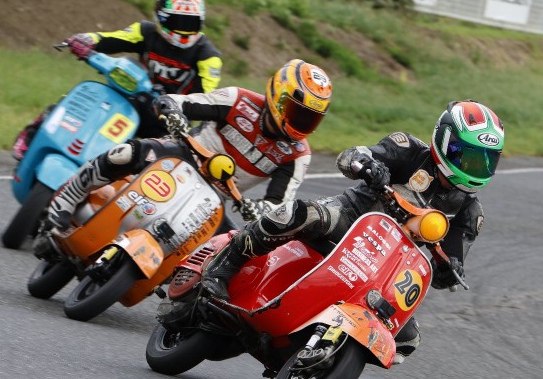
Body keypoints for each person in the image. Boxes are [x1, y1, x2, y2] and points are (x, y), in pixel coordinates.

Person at [196, 99, 505, 363]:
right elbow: (350, 156)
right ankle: (225, 265)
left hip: (389, 263)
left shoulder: (470, 212)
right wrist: (367, 164)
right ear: (446, 142)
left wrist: (450, 270)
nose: (477, 167)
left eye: (486, 161)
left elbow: (446, 267)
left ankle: (330, 349)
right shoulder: (408, 149)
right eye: (470, 157)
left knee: (407, 337)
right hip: (350, 218)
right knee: (297, 214)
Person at [34, 58, 332, 247]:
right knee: (123, 154)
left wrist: (259, 210)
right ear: (277, 96)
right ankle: (66, 200)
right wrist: (173, 111)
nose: (302, 123)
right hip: (180, 156)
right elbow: (181, 102)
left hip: (214, 200)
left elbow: (280, 203)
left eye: (311, 118)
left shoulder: (298, 154)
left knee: (224, 252)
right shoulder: (238, 99)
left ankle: (184, 306)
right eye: (297, 112)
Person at [12, 0, 223, 160]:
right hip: (134, 98)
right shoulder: (145, 31)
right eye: (178, 22)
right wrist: (87, 40)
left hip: (169, 120)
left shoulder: (209, 56)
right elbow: (113, 38)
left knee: (154, 168)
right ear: (161, 17)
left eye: (191, 23)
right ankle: (32, 136)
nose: (184, 30)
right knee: (80, 102)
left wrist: (174, 106)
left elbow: (204, 98)